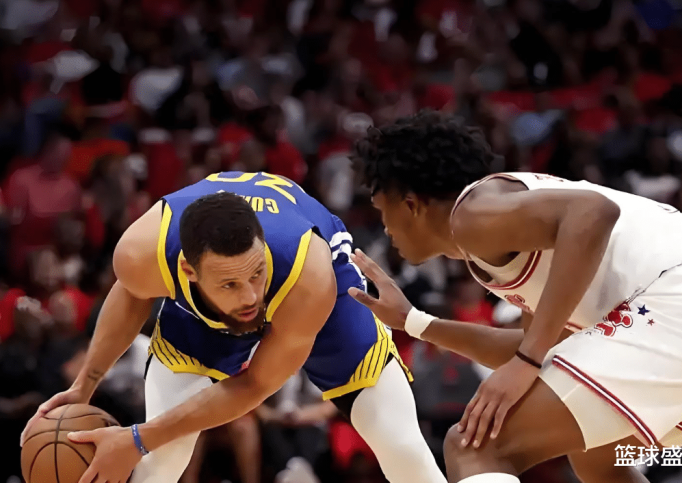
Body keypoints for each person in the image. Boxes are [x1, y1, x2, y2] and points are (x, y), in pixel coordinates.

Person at [347, 110, 682, 483]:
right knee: (596, 459)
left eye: (382, 211)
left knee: (475, 446)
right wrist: (414, 321)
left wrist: (528, 358)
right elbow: (538, 348)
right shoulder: (510, 230)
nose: (385, 228)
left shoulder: (471, 215)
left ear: (411, 204)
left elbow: (593, 212)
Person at [21, 171, 446, 483]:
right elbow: (133, 293)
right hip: (206, 304)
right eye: (230, 283)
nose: (250, 297)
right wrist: (86, 384)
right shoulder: (141, 252)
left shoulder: (309, 275)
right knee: (163, 459)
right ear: (187, 271)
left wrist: (136, 438)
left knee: (400, 445)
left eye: (256, 274)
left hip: (318, 292)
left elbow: (255, 384)